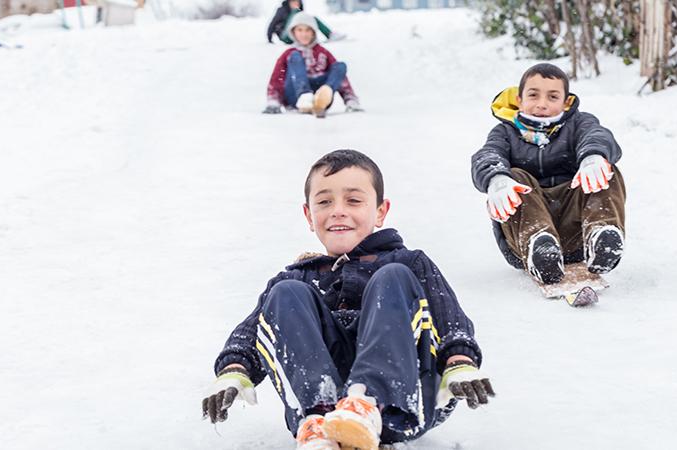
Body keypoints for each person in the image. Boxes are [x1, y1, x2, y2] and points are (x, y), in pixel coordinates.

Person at [202, 149, 494, 450]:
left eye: (353, 200)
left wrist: (460, 361)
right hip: (325, 401)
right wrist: (234, 370)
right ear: (309, 215)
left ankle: (367, 403)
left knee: (393, 276)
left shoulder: (409, 263)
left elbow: (448, 317)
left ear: (380, 211)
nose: (338, 210)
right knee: (286, 293)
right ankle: (319, 419)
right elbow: (255, 332)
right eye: (325, 201)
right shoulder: (297, 278)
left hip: (406, 396)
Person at [471, 63, 625, 284]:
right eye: (533, 95)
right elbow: (488, 155)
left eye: (552, 97)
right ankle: (541, 249)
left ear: (565, 102)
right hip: (525, 236)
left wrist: (593, 156)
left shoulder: (579, 123)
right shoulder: (505, 132)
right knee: (514, 176)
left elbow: (597, 135)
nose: (542, 104)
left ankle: (601, 236)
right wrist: (496, 179)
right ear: (519, 100)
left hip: (575, 231)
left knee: (605, 169)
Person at [263, 12, 362, 118]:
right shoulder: (289, 53)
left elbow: (340, 78)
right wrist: (273, 101)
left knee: (340, 66)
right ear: (293, 32)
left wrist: (350, 99)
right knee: (295, 56)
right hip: (295, 96)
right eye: (300, 30)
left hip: (319, 95)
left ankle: (323, 96)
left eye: (307, 30)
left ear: (313, 32)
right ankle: (304, 96)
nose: (304, 34)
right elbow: (277, 79)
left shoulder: (323, 53)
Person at [267, 0, 344, 45]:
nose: (296, 4)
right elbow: (272, 23)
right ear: (289, 2)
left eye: (297, 3)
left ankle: (330, 34)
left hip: (296, 35)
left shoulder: (299, 11)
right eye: (293, 2)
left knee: (312, 19)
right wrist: (269, 39)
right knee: (297, 13)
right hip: (285, 35)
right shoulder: (282, 10)